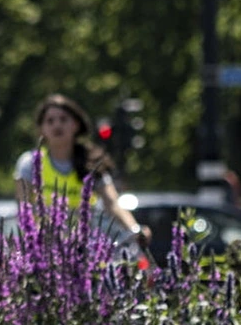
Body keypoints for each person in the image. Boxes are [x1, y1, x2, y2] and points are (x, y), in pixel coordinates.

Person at [13, 94, 148, 242]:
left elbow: (113, 204)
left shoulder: (92, 162)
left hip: (85, 246)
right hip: (44, 246)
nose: (57, 125)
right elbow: (24, 208)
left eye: (63, 119)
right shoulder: (29, 164)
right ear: (41, 129)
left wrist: (134, 229)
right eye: (50, 121)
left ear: (75, 124)